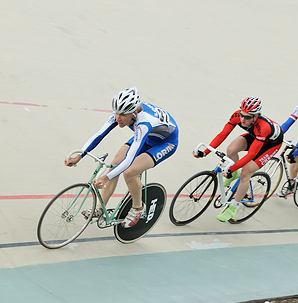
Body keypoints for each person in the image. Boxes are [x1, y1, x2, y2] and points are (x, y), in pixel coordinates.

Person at [64, 87, 178, 228]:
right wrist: (79, 156)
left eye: (123, 115)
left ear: (134, 112)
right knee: (114, 164)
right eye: (116, 112)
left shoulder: (144, 123)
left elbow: (129, 160)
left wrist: (105, 178)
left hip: (165, 143)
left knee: (129, 172)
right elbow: (99, 134)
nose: (118, 118)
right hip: (148, 137)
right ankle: (100, 208)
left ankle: (138, 208)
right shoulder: (122, 114)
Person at [196, 97, 283, 222]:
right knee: (231, 150)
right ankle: (234, 174)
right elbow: (222, 134)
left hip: (270, 145)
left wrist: (232, 168)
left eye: (247, 117)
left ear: (256, 116)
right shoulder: (237, 116)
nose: (242, 119)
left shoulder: (264, 127)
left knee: (246, 172)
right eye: (242, 115)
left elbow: (252, 154)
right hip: (256, 136)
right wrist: (205, 152)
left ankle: (233, 208)